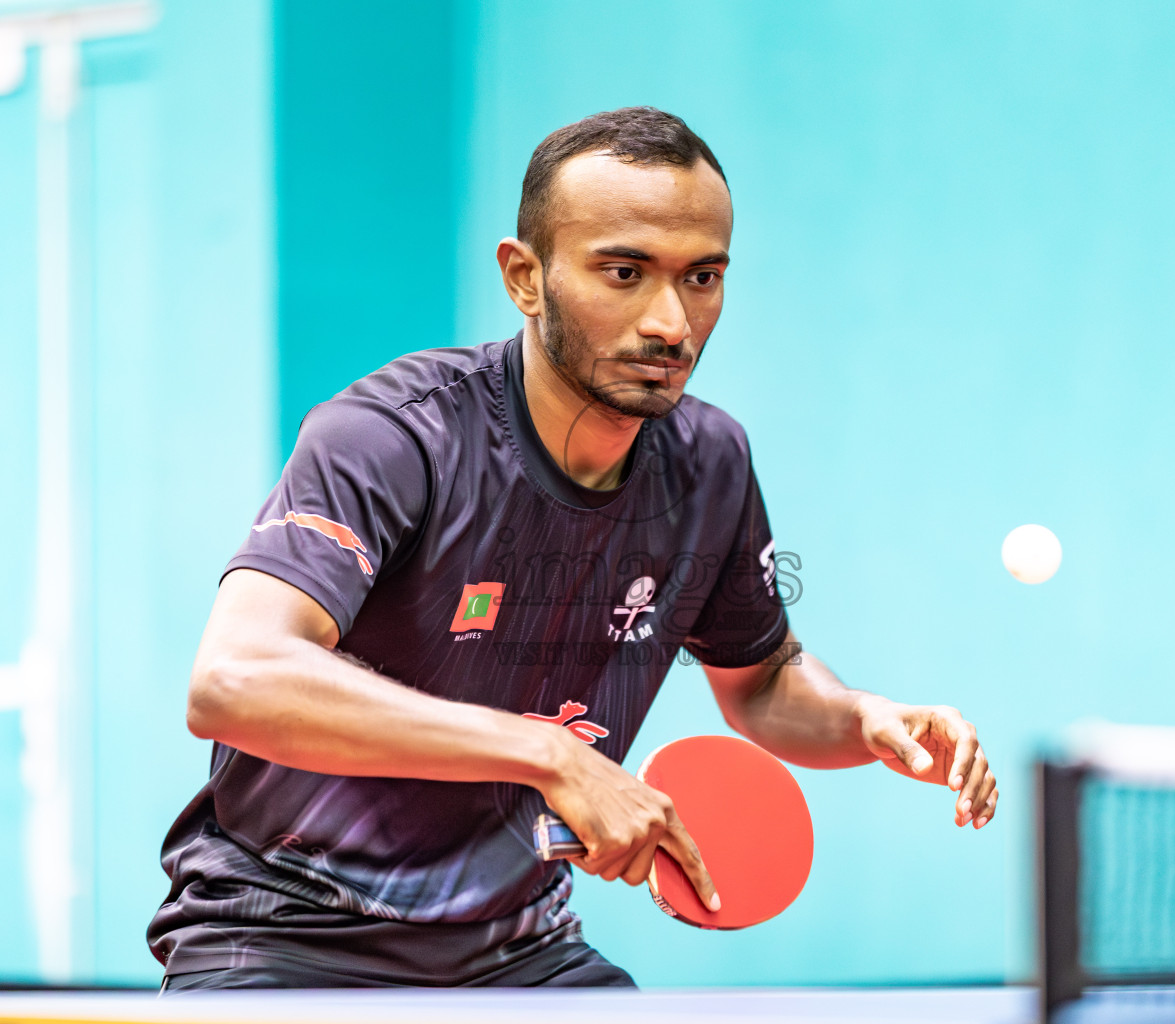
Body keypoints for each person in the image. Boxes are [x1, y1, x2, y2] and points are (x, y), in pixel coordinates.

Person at [148, 106, 998, 991]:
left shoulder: (711, 464)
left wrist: (862, 718)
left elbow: (763, 679)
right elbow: (235, 680)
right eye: (624, 272)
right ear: (525, 276)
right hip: (286, 938)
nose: (672, 320)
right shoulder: (396, 436)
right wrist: (550, 754)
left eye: (702, 276)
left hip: (518, 953)